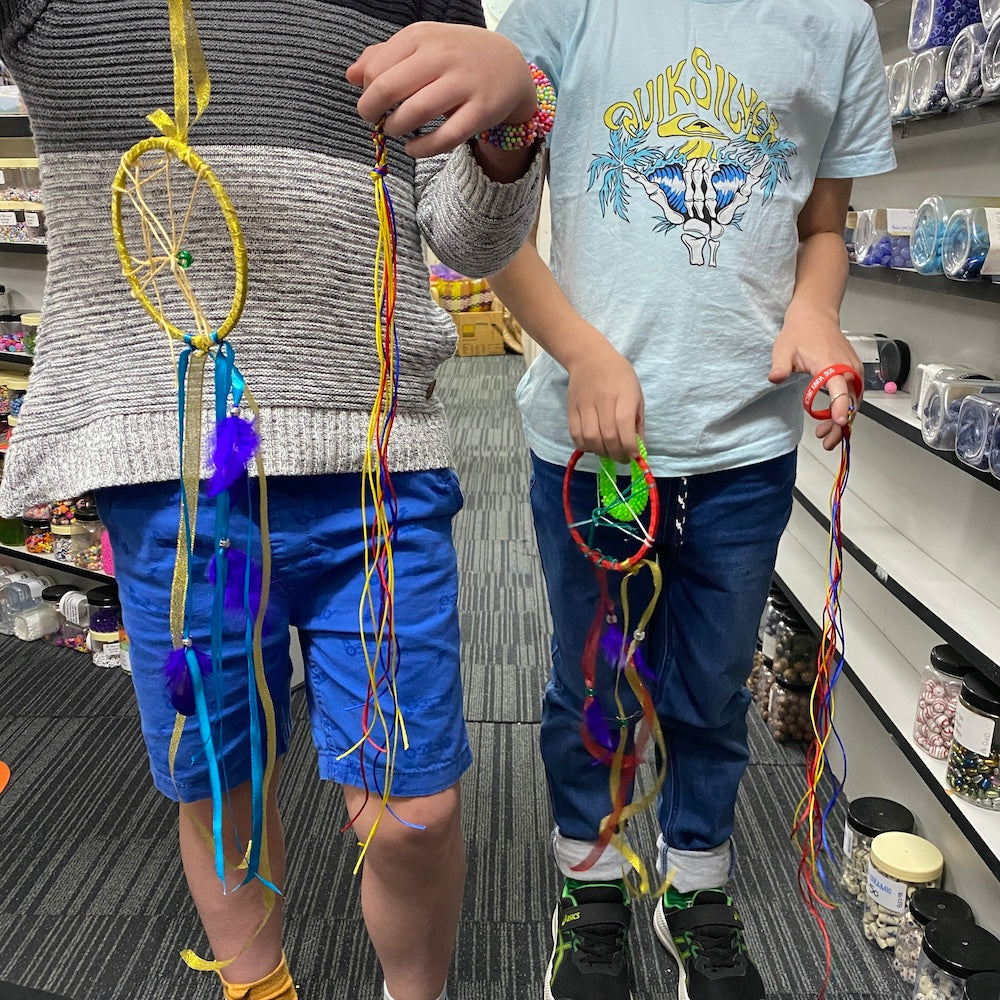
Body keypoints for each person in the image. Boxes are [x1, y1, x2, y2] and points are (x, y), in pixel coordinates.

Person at [0, 4, 548, 1000]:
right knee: (222, 782)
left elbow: (469, 239)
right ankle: (257, 987)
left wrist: (513, 114)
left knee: (413, 811)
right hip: (172, 470)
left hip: (377, 461)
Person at [479, 2, 896, 998]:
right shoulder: (565, 11)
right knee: (595, 685)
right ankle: (591, 884)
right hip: (595, 452)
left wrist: (815, 307)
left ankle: (695, 882)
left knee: (710, 687)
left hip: (743, 448)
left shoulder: (834, 23)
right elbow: (485, 223)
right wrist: (580, 352)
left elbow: (823, 224)